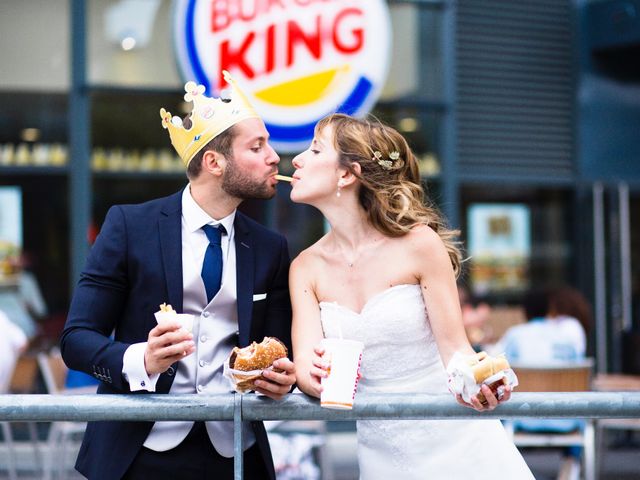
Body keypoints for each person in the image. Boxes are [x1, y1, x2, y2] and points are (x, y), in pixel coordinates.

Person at [61, 72, 296, 480]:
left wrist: (281, 379)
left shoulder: (269, 247)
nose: (274, 156)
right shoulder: (129, 226)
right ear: (214, 162)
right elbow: (77, 339)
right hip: (139, 451)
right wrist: (143, 360)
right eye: (257, 147)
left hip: (236, 450)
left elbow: (280, 347)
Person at [288, 113, 533, 478]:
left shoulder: (420, 244)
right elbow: (306, 367)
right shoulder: (305, 267)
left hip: (459, 440)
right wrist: (313, 373)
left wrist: (483, 380)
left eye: (315, 149)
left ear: (346, 174)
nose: (297, 160)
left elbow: (457, 352)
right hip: (381, 449)